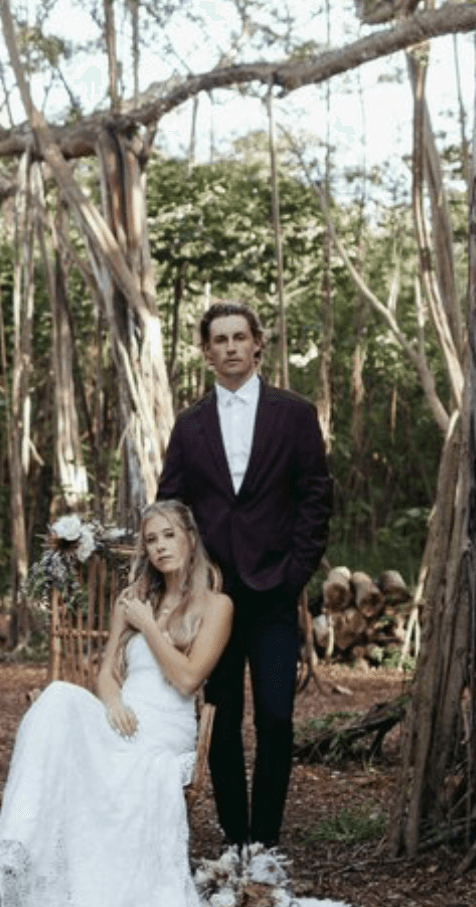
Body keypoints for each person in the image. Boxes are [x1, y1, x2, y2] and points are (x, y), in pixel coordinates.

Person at [0, 499, 233, 907]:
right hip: (122, 715)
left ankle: (104, 892)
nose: (161, 547)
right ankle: (17, 857)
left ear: (190, 536)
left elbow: (188, 680)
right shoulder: (132, 600)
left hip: (166, 727)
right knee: (56, 700)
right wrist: (110, 702)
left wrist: (148, 626)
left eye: (169, 535)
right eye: (151, 540)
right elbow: (107, 669)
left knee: (126, 766)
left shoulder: (217, 606)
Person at [156, 299, 332, 849]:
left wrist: (297, 571)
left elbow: (316, 499)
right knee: (222, 717)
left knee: (277, 719)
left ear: (258, 344)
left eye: (240, 337)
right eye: (220, 340)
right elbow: (171, 504)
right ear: (206, 353)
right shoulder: (189, 425)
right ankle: (236, 839)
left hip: (276, 591)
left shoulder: (295, 413)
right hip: (213, 598)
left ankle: (267, 841)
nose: (231, 347)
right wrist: (185, 582)